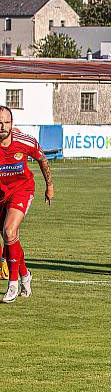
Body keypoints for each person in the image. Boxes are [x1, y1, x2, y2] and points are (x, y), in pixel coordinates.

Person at [0, 106, 55, 302]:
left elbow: (42, 159)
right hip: (1, 195)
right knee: (9, 238)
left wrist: (49, 185)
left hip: (22, 190)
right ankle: (25, 274)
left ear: (12, 124)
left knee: (9, 231)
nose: (2, 126)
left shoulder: (24, 141)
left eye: (6, 122)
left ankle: (12, 284)